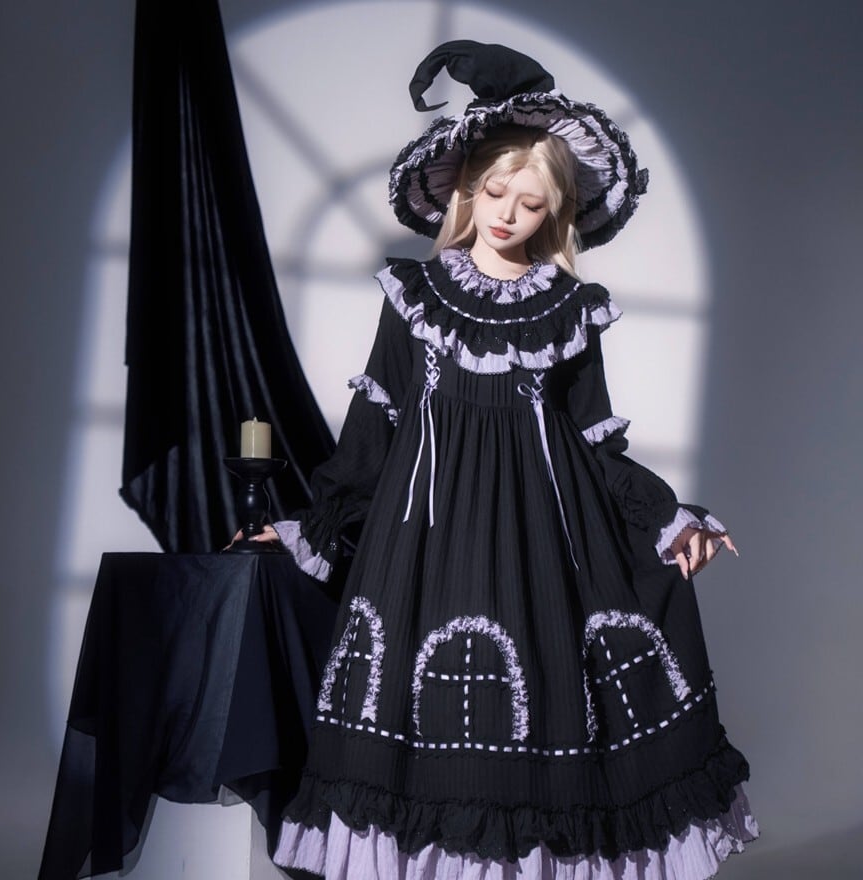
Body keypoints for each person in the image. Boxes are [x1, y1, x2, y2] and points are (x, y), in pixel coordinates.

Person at [262, 40, 757, 880]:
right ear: (465, 187)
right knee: (428, 722)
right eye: (495, 193)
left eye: (530, 205)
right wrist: (311, 525)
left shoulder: (570, 307)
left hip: (541, 547)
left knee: (542, 712)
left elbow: (595, 442)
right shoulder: (412, 297)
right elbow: (375, 429)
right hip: (424, 547)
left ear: (554, 215)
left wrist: (669, 519)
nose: (507, 214)